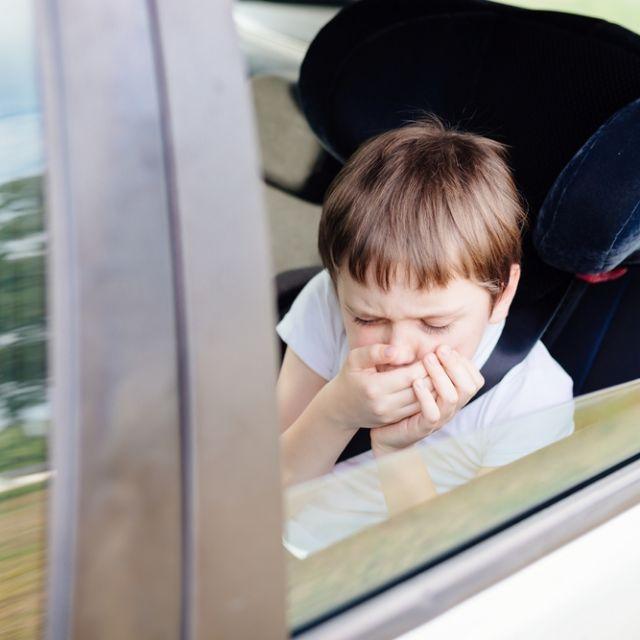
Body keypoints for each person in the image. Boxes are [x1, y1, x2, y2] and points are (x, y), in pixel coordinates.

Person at [276, 114, 574, 498]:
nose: (398, 352)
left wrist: (397, 451)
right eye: (367, 318)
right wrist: (336, 412)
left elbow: (459, 554)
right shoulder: (327, 302)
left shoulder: (531, 402)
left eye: (435, 323)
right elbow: (266, 495)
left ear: (502, 293)